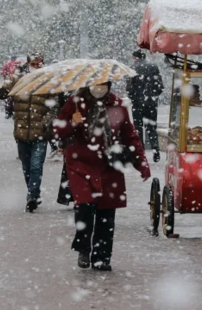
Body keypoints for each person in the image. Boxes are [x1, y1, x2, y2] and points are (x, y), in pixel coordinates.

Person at [54, 82, 150, 271]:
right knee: (85, 206)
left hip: (109, 165)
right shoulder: (76, 101)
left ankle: (102, 257)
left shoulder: (117, 104)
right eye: (97, 83)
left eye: (104, 83)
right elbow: (58, 130)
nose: (100, 87)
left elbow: (129, 135)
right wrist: (72, 123)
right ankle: (83, 248)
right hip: (80, 164)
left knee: (107, 214)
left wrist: (142, 164)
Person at [0, 53, 59, 212]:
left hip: (40, 133)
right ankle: (34, 192)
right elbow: (0, 94)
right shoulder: (18, 79)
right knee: (26, 167)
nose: (37, 65)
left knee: (35, 166)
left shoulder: (48, 81)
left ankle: (32, 195)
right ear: (28, 64)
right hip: (21, 133)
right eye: (34, 63)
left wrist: (44, 123)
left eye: (40, 62)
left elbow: (54, 107)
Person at [126, 49, 164, 163]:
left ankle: (141, 153)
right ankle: (156, 150)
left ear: (135, 57)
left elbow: (129, 87)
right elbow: (160, 86)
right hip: (151, 103)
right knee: (151, 127)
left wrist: (133, 97)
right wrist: (153, 97)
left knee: (138, 128)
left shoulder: (132, 68)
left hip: (137, 103)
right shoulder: (153, 67)